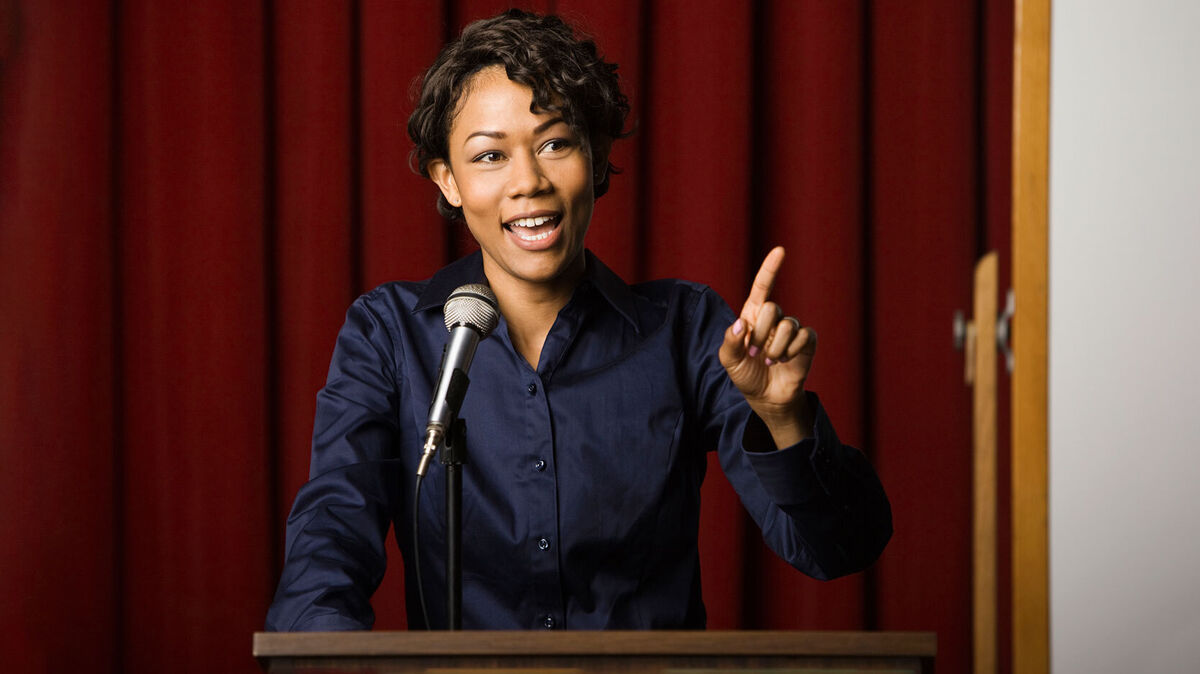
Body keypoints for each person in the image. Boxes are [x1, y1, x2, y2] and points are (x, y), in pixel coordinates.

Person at [266, 9, 891, 632]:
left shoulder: (688, 329)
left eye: (555, 144)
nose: (528, 182)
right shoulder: (388, 334)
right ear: (448, 181)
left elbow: (839, 549)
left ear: (593, 159)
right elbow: (329, 541)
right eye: (489, 157)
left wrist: (784, 422)